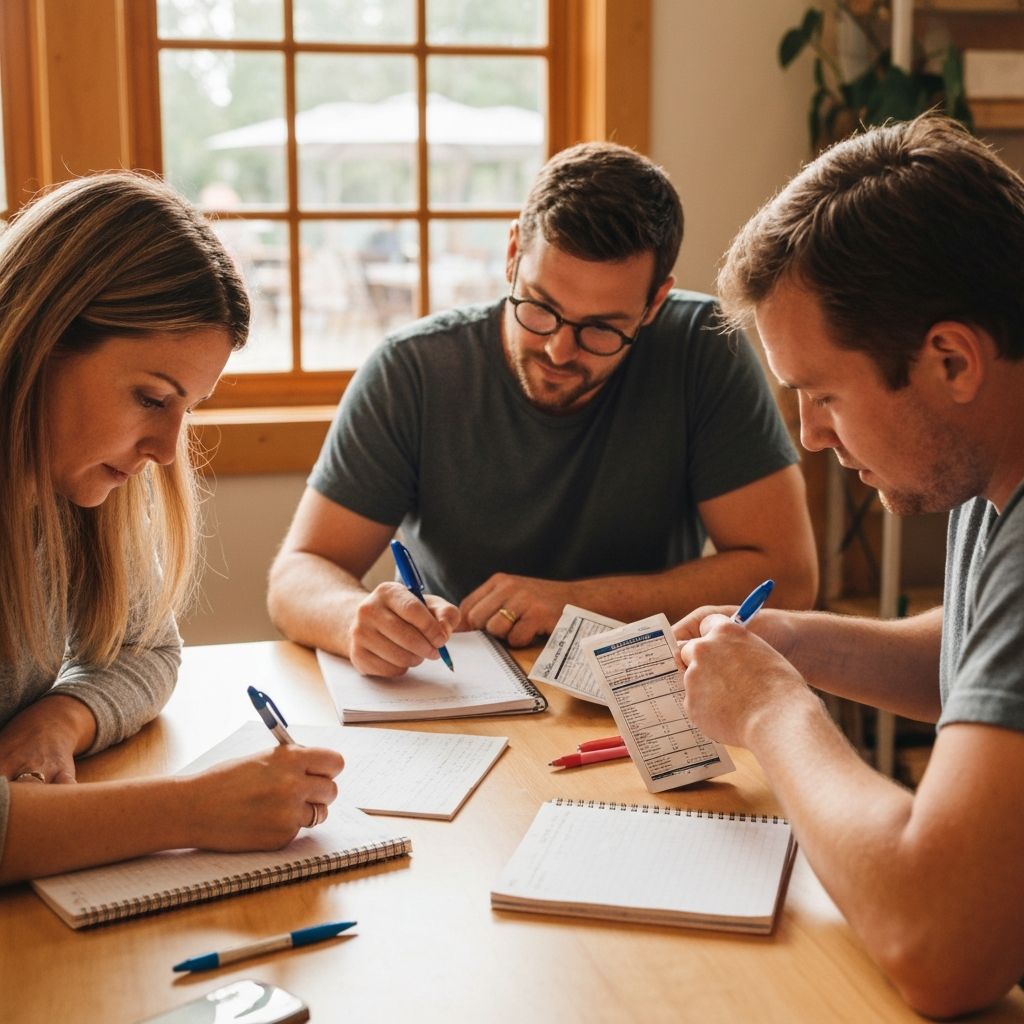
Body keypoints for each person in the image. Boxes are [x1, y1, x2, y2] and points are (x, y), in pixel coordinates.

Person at [675, 114, 1024, 1018]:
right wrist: (795, 645)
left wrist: (770, 707)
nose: (810, 437)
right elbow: (986, 657)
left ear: (951, 360)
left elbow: (938, 946)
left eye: (823, 394)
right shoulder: (992, 462)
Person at [268, 142, 818, 677]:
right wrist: (353, 620)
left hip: (641, 697)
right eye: (541, 307)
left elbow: (787, 577)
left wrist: (577, 603)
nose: (559, 350)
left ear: (655, 303)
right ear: (512, 254)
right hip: (461, 692)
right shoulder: (413, 370)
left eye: (601, 328)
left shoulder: (702, 348)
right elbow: (298, 574)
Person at [0, 173, 344, 886]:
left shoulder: (66, 488)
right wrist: (190, 811)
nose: (164, 449)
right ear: (41, 340)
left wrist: (63, 716)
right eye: (150, 397)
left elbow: (146, 646)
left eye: (186, 408)